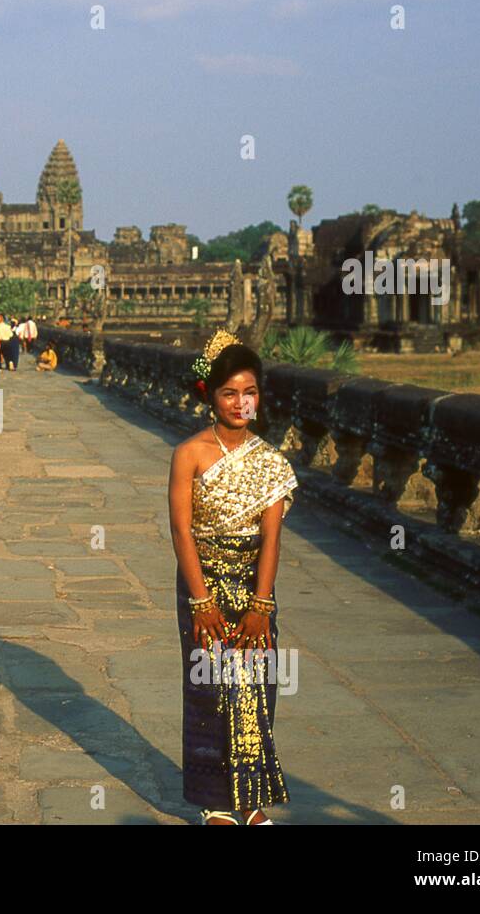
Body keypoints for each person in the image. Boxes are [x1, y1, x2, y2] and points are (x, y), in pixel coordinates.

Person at [167, 331, 297, 826]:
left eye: (251, 392)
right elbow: (181, 529)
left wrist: (261, 605)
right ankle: (215, 800)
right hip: (201, 583)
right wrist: (201, 601)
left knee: (257, 687)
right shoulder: (190, 453)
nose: (242, 404)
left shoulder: (269, 460)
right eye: (230, 393)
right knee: (209, 689)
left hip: (253, 583)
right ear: (210, 396)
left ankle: (251, 800)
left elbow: (272, 538)